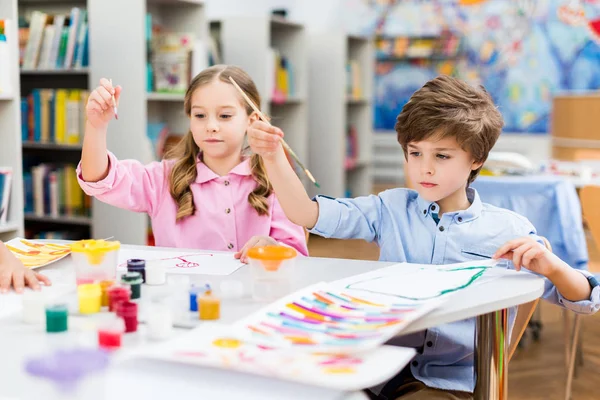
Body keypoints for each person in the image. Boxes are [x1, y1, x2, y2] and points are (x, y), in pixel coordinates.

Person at [248, 75, 600, 399]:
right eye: (415, 153)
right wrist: (273, 156)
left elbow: (584, 297)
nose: (424, 168)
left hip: (448, 384)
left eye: (441, 156)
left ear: (476, 159)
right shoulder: (390, 207)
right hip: (376, 371)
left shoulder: (507, 229)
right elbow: (306, 214)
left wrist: (552, 268)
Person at [78, 65, 307, 262]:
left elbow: (296, 254)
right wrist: (97, 126)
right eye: (200, 116)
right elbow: (99, 179)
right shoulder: (163, 178)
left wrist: (273, 248)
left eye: (225, 116)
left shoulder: (274, 180)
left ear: (252, 119)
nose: (211, 126)